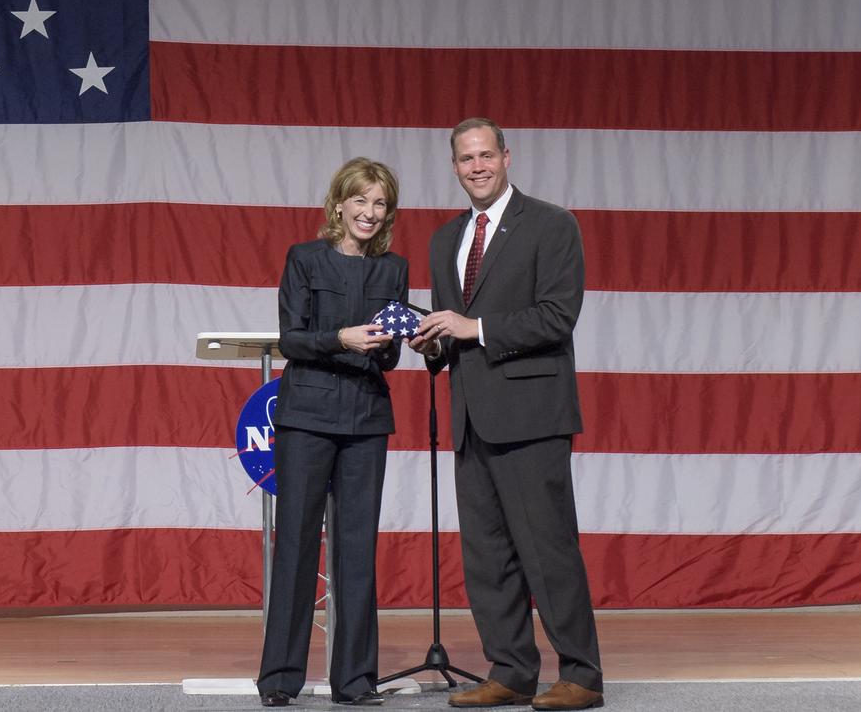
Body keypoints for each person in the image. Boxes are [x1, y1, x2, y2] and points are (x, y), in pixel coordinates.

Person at [408, 119, 604, 710]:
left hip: (533, 414)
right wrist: (436, 342)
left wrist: (476, 327)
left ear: (507, 157)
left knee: (548, 549)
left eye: (486, 155)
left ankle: (582, 675)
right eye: (466, 159)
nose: (477, 167)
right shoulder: (446, 241)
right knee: (488, 555)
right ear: (454, 167)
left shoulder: (551, 224)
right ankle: (513, 669)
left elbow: (557, 316)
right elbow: (455, 328)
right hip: (472, 414)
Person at [257, 157, 408, 707]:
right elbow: (291, 341)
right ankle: (279, 679)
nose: (369, 212)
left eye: (380, 203)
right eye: (361, 200)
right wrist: (341, 338)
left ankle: (355, 681)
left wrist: (398, 342)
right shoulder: (305, 259)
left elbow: (387, 360)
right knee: (296, 545)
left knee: (357, 550)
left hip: (367, 418)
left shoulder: (394, 268)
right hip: (307, 419)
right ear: (339, 204)